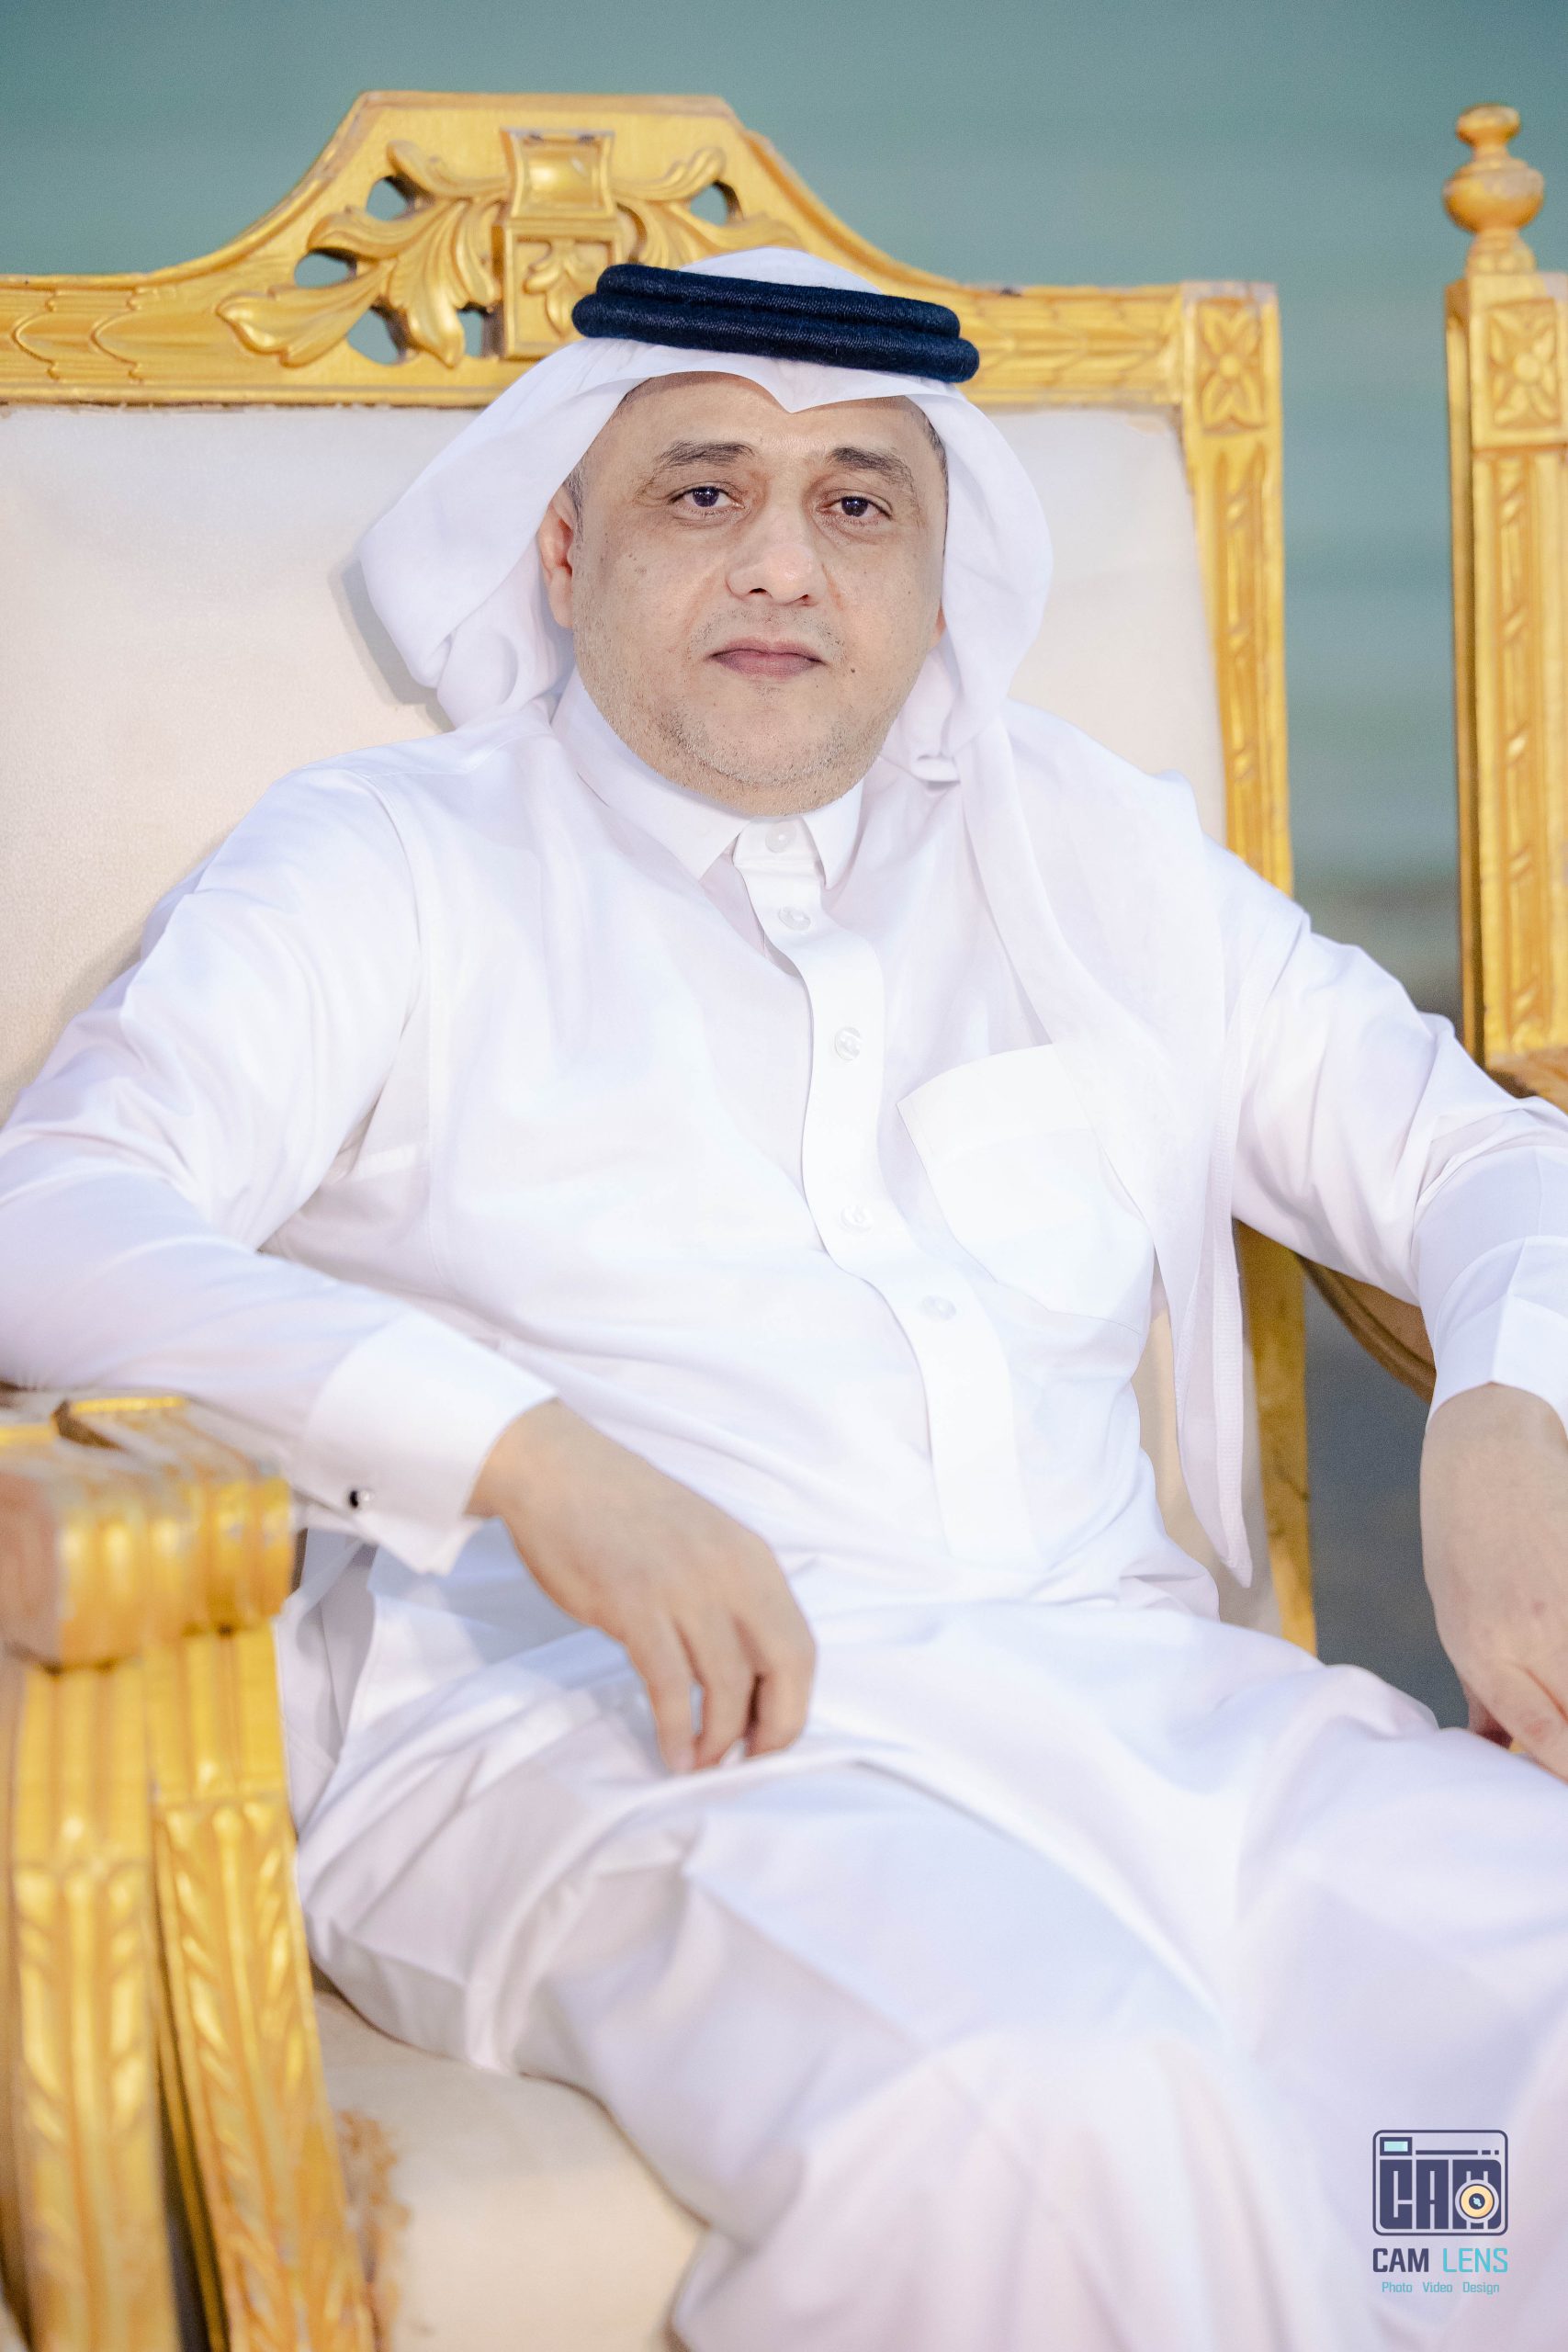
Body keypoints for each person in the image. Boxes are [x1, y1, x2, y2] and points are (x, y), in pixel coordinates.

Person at [1, 246, 1565, 2351]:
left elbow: (1477, 1157)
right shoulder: (386, 861)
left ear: (929, 585)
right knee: (1065, 2106)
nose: (780, 561)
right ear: (565, 552)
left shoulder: (1093, 856)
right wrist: (525, 1457)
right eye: (700, 489)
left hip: (1144, 1710)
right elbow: (55, 1209)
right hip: (614, 1736)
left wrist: (1502, 1406)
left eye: (853, 504)